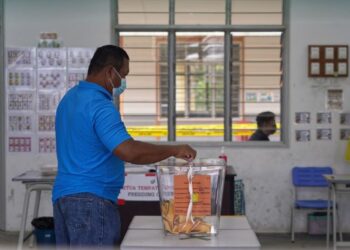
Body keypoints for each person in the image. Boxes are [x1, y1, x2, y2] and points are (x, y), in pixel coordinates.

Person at [52, 45, 197, 248]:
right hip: (92, 202)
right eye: (123, 75)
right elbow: (128, 151)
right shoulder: (100, 105)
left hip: (63, 198)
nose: (122, 83)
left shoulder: (69, 99)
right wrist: (174, 150)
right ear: (110, 72)